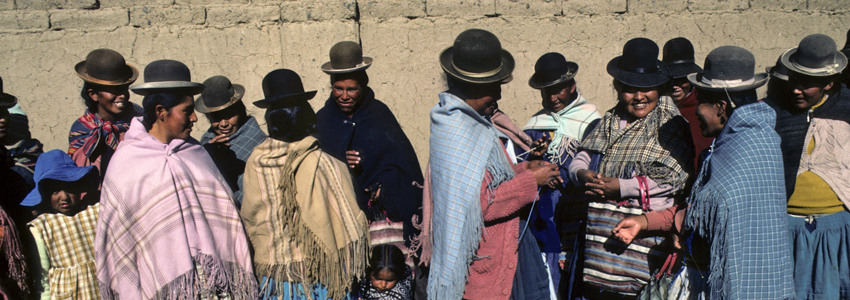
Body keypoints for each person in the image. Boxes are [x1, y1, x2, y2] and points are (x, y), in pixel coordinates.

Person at [614, 46, 795, 299]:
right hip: (763, 281)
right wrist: (646, 222)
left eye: (700, 103)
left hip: (738, 285)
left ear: (721, 106)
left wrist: (672, 227)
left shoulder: (742, 149)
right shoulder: (759, 138)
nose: (696, 111)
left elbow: (704, 215)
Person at [96, 59, 256, 300]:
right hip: (161, 289)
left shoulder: (195, 153)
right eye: (187, 110)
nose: (194, 118)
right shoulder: (127, 162)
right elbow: (121, 238)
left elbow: (224, 216)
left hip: (211, 287)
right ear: (161, 111)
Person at [425, 28, 561, 300]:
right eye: (493, 87)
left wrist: (526, 169)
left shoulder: (476, 123)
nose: (498, 95)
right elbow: (480, 204)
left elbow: (489, 178)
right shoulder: (457, 129)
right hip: (485, 257)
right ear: (472, 87)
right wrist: (532, 181)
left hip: (505, 246)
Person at [569, 37, 693, 299]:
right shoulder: (610, 121)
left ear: (660, 87)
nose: (638, 97)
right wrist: (582, 173)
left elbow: (673, 179)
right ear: (617, 87)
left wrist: (623, 187)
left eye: (647, 89)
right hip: (602, 247)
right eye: (629, 88)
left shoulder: (671, 125)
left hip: (644, 244)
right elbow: (581, 156)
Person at [241, 69, 368, 300]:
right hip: (324, 278)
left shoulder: (256, 163)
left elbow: (253, 219)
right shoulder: (325, 163)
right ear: (305, 114)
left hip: (278, 280)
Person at [315, 41, 423, 264]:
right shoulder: (323, 121)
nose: (345, 95)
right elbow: (316, 168)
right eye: (338, 88)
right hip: (341, 221)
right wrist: (340, 162)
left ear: (362, 86)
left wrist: (381, 179)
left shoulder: (379, 114)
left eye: (352, 89)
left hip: (383, 221)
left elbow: (403, 166)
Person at [771, 34, 850, 300]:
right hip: (786, 231)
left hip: (837, 232)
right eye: (794, 80)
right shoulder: (776, 112)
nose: (796, 90)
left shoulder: (847, 109)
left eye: (807, 84)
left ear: (829, 82)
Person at [521, 52, 601, 297]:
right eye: (546, 92)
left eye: (558, 90)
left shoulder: (591, 120)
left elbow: (593, 163)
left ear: (572, 86)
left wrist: (564, 177)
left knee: (572, 268)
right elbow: (524, 161)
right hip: (541, 211)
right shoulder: (536, 122)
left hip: (574, 209)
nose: (552, 98)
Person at [21, 149, 101, 300]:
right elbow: (42, 274)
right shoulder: (41, 226)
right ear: (44, 194)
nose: (64, 197)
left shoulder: (96, 211)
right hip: (67, 294)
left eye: (70, 188)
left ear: (79, 186)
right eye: (55, 191)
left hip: (100, 289)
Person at [196, 75, 266, 206]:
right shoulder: (206, 142)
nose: (223, 124)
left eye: (229, 115)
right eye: (216, 117)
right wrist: (208, 156)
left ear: (240, 111)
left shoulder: (257, 142)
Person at [68, 49, 138, 175]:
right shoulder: (82, 128)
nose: (122, 95)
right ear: (93, 94)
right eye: (114, 90)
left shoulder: (138, 122)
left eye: (124, 89)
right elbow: (78, 169)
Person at [662, 37, 711, 169]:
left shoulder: (704, 108)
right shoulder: (659, 109)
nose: (674, 86)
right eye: (670, 79)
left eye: (681, 79)